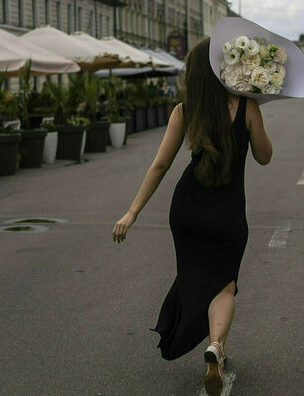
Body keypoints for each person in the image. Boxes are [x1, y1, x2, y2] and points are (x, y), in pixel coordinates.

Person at [111, 38, 273, 396]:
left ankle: (213, 345)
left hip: (186, 209)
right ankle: (216, 344)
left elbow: (160, 165)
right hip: (228, 213)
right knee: (225, 283)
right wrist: (257, 109)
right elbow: (265, 156)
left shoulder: (185, 110)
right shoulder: (245, 107)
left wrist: (132, 212)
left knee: (197, 275)